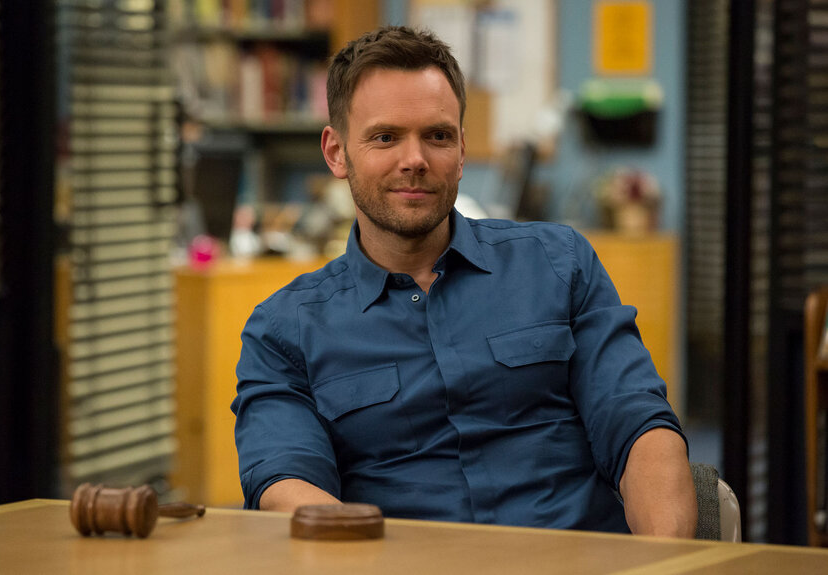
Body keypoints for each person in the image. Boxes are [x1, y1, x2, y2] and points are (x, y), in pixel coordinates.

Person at [231, 25, 697, 537]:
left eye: (437, 136)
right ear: (336, 152)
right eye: (386, 137)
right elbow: (285, 483)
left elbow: (639, 427)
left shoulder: (559, 265)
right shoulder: (284, 330)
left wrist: (664, 562)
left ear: (461, 149)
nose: (415, 159)